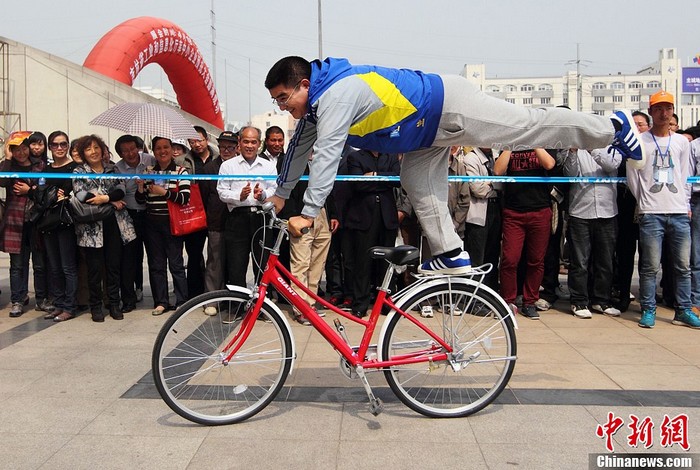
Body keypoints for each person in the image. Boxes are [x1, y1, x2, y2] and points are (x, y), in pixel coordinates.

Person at [264, 56, 645, 276]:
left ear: (303, 84)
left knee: (526, 127)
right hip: (424, 134)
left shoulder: (335, 94)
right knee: (415, 179)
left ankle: (612, 126)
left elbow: (328, 154)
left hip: (447, 105)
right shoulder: (315, 107)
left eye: (284, 99)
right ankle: (450, 254)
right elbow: (299, 148)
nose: (284, 108)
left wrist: (309, 211)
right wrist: (280, 197)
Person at [626, 91, 700, 329]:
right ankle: (649, 309)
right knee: (649, 266)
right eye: (658, 108)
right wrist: (644, 200)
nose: (664, 113)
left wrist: (685, 203)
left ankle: (684, 309)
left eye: (668, 108)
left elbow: (684, 176)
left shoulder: (680, 142)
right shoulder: (641, 142)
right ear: (651, 112)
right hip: (652, 213)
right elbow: (633, 177)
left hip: (678, 211)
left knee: (683, 265)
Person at [73, 135, 136, 322]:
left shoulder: (112, 168)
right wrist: (110, 201)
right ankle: (96, 306)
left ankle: (114, 304)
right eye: (88, 149)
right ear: (83, 153)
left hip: (114, 225)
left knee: (113, 266)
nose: (93, 152)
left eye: (96, 147)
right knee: (93, 269)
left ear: (102, 150)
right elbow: (82, 195)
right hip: (91, 226)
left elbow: (121, 190)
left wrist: (105, 198)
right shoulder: (79, 171)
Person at [494, 148, 556, 320]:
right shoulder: (511, 145)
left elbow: (550, 164)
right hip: (514, 212)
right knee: (509, 259)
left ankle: (529, 302)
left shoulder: (543, 143)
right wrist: (510, 146)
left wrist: (535, 143)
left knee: (536, 260)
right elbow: (498, 171)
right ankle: (507, 301)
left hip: (540, 209)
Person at [562, 147, 622, 318]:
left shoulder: (611, 149)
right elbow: (570, 175)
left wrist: (592, 148)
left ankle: (601, 300)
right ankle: (579, 301)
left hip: (607, 211)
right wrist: (573, 152)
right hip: (580, 211)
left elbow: (610, 166)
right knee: (580, 262)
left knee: (605, 261)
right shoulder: (576, 150)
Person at [217, 126, 277, 288]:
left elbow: (274, 188)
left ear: (259, 144)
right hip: (237, 219)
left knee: (262, 265)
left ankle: (262, 307)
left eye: (253, 142)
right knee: (236, 266)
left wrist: (263, 195)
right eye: (246, 141)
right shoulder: (228, 166)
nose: (249, 146)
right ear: (239, 142)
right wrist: (239, 196)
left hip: (261, 218)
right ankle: (238, 307)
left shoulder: (268, 166)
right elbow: (222, 192)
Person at [136, 136, 189, 316]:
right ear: (153, 151)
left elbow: (184, 199)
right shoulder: (149, 171)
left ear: (172, 149)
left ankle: (182, 300)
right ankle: (161, 301)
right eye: (158, 148)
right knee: (156, 264)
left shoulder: (181, 171)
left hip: (173, 223)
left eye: (166, 147)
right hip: (152, 223)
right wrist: (141, 188)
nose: (162, 151)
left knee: (176, 264)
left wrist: (164, 192)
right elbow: (141, 201)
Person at [0, 132, 43, 317]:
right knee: (17, 264)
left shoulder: (39, 165)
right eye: (16, 149)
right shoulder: (8, 166)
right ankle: (18, 299)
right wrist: (8, 159)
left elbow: (44, 189)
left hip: (37, 221)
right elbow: (2, 181)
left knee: (40, 264)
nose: (21, 152)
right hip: (15, 221)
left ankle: (41, 299)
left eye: (24, 148)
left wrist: (29, 189)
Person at [114, 134, 155, 312]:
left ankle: (159, 297)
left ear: (138, 147)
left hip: (150, 214)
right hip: (128, 215)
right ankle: (129, 299)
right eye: (125, 151)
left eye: (132, 149)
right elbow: (118, 190)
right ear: (120, 154)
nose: (130, 154)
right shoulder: (117, 169)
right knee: (129, 258)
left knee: (154, 257)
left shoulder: (149, 160)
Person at [40, 131, 79, 322]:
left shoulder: (75, 168)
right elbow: (40, 193)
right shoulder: (45, 169)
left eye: (63, 144)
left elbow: (78, 193)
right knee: (54, 267)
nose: (59, 148)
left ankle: (69, 307)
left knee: (68, 266)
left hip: (66, 222)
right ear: (50, 147)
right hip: (48, 221)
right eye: (55, 145)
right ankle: (58, 303)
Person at [177, 126, 219, 298]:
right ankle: (195, 293)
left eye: (199, 140)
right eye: (192, 141)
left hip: (215, 211)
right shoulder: (181, 161)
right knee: (194, 254)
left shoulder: (218, 158)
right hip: (192, 212)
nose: (197, 144)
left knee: (216, 254)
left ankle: (215, 291)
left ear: (206, 140)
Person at [200, 131, 238, 314]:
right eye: (223, 147)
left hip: (238, 222)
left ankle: (232, 300)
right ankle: (212, 301)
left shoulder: (241, 167)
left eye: (230, 147)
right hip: (217, 221)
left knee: (235, 263)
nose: (226, 150)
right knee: (215, 261)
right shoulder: (210, 168)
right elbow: (204, 196)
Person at [462, 147, 502, 290]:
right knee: (477, 259)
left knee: (492, 256)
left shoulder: (497, 156)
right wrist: (494, 183)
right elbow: (477, 190)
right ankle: (474, 298)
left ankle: (489, 294)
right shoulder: (470, 158)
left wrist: (490, 183)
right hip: (477, 215)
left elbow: (504, 183)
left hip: (496, 210)